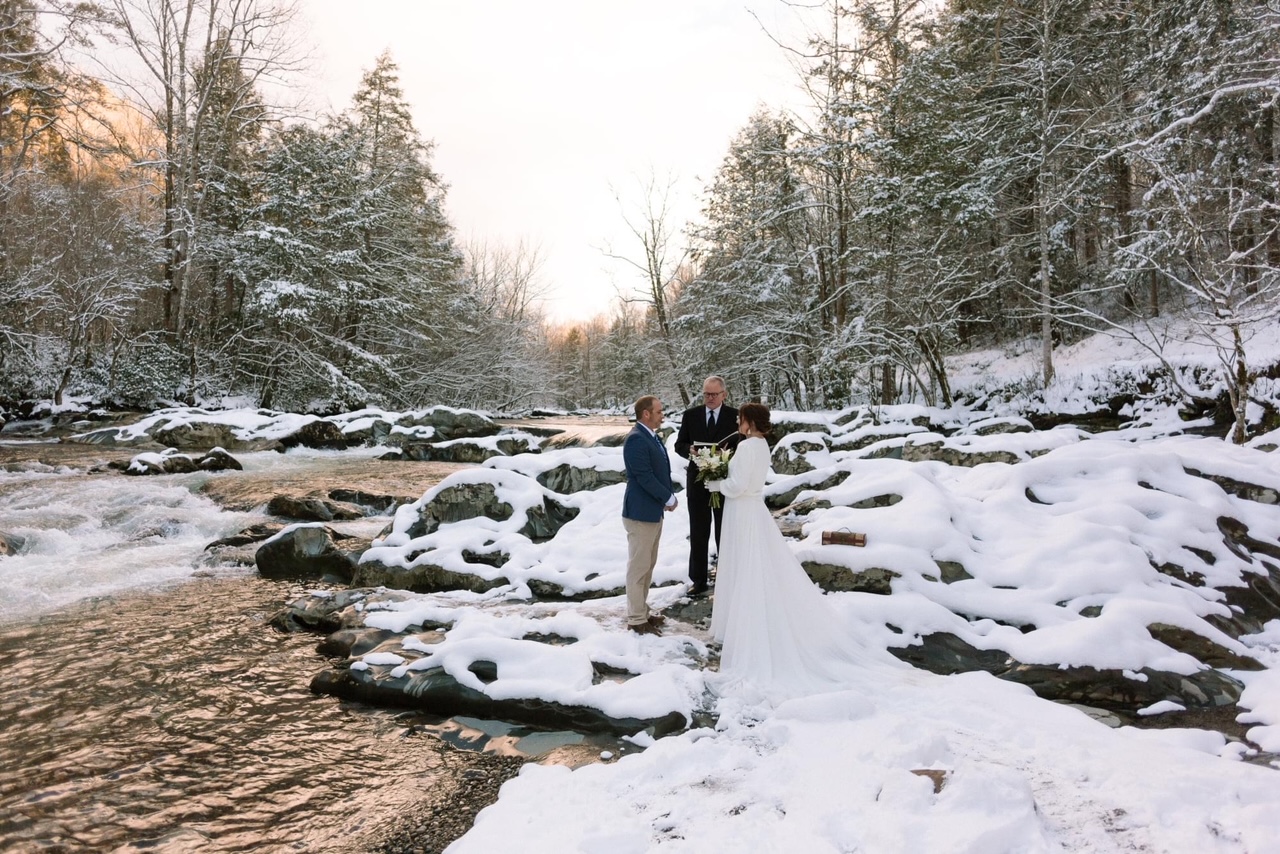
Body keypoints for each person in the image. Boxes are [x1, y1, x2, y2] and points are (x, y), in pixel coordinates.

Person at [706, 402, 890, 696]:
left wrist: (715, 483)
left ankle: (744, 629)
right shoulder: (763, 445)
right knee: (758, 565)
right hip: (754, 510)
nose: (738, 422)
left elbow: (738, 484)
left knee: (744, 565)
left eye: (740, 419)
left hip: (741, 510)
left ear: (749, 422)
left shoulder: (745, 447)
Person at [674, 375, 740, 596]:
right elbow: (679, 444)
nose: (709, 398)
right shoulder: (690, 416)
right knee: (699, 533)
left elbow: (742, 446)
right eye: (706, 394)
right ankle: (698, 580)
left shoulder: (735, 417)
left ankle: (726, 577)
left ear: (724, 394)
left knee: (725, 531)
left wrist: (727, 456)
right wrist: (690, 451)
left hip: (724, 482)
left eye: (714, 394)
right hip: (697, 483)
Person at [621, 395, 678, 636]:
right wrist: (667, 497)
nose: (662, 415)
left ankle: (642, 613)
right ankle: (636, 619)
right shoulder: (636, 439)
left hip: (651, 512)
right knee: (638, 568)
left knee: (648, 565)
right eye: (658, 411)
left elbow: (660, 471)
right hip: (640, 513)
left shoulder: (650, 436)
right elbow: (644, 476)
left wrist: (666, 495)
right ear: (646, 414)